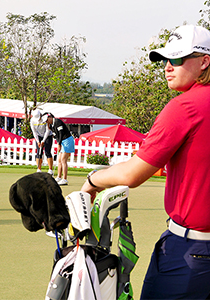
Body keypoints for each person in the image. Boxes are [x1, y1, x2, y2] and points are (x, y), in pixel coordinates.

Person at [81, 25, 210, 299]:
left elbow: (133, 174)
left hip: (191, 254)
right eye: (165, 60)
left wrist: (92, 180)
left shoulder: (184, 107)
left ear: (204, 61)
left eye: (177, 59)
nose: (167, 67)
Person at [46, 113, 75, 185]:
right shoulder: (51, 126)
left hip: (67, 140)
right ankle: (59, 177)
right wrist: (58, 143)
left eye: (47, 120)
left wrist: (59, 144)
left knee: (63, 160)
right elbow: (56, 135)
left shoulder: (57, 122)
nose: (46, 122)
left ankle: (65, 179)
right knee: (59, 160)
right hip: (62, 142)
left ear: (50, 117)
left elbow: (61, 133)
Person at [30, 109, 54, 174]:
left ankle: (50, 170)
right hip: (39, 136)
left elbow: (48, 130)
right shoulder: (32, 120)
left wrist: (43, 141)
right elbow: (34, 132)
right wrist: (38, 141)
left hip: (48, 136)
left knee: (47, 152)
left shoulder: (45, 118)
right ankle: (39, 169)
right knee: (39, 152)